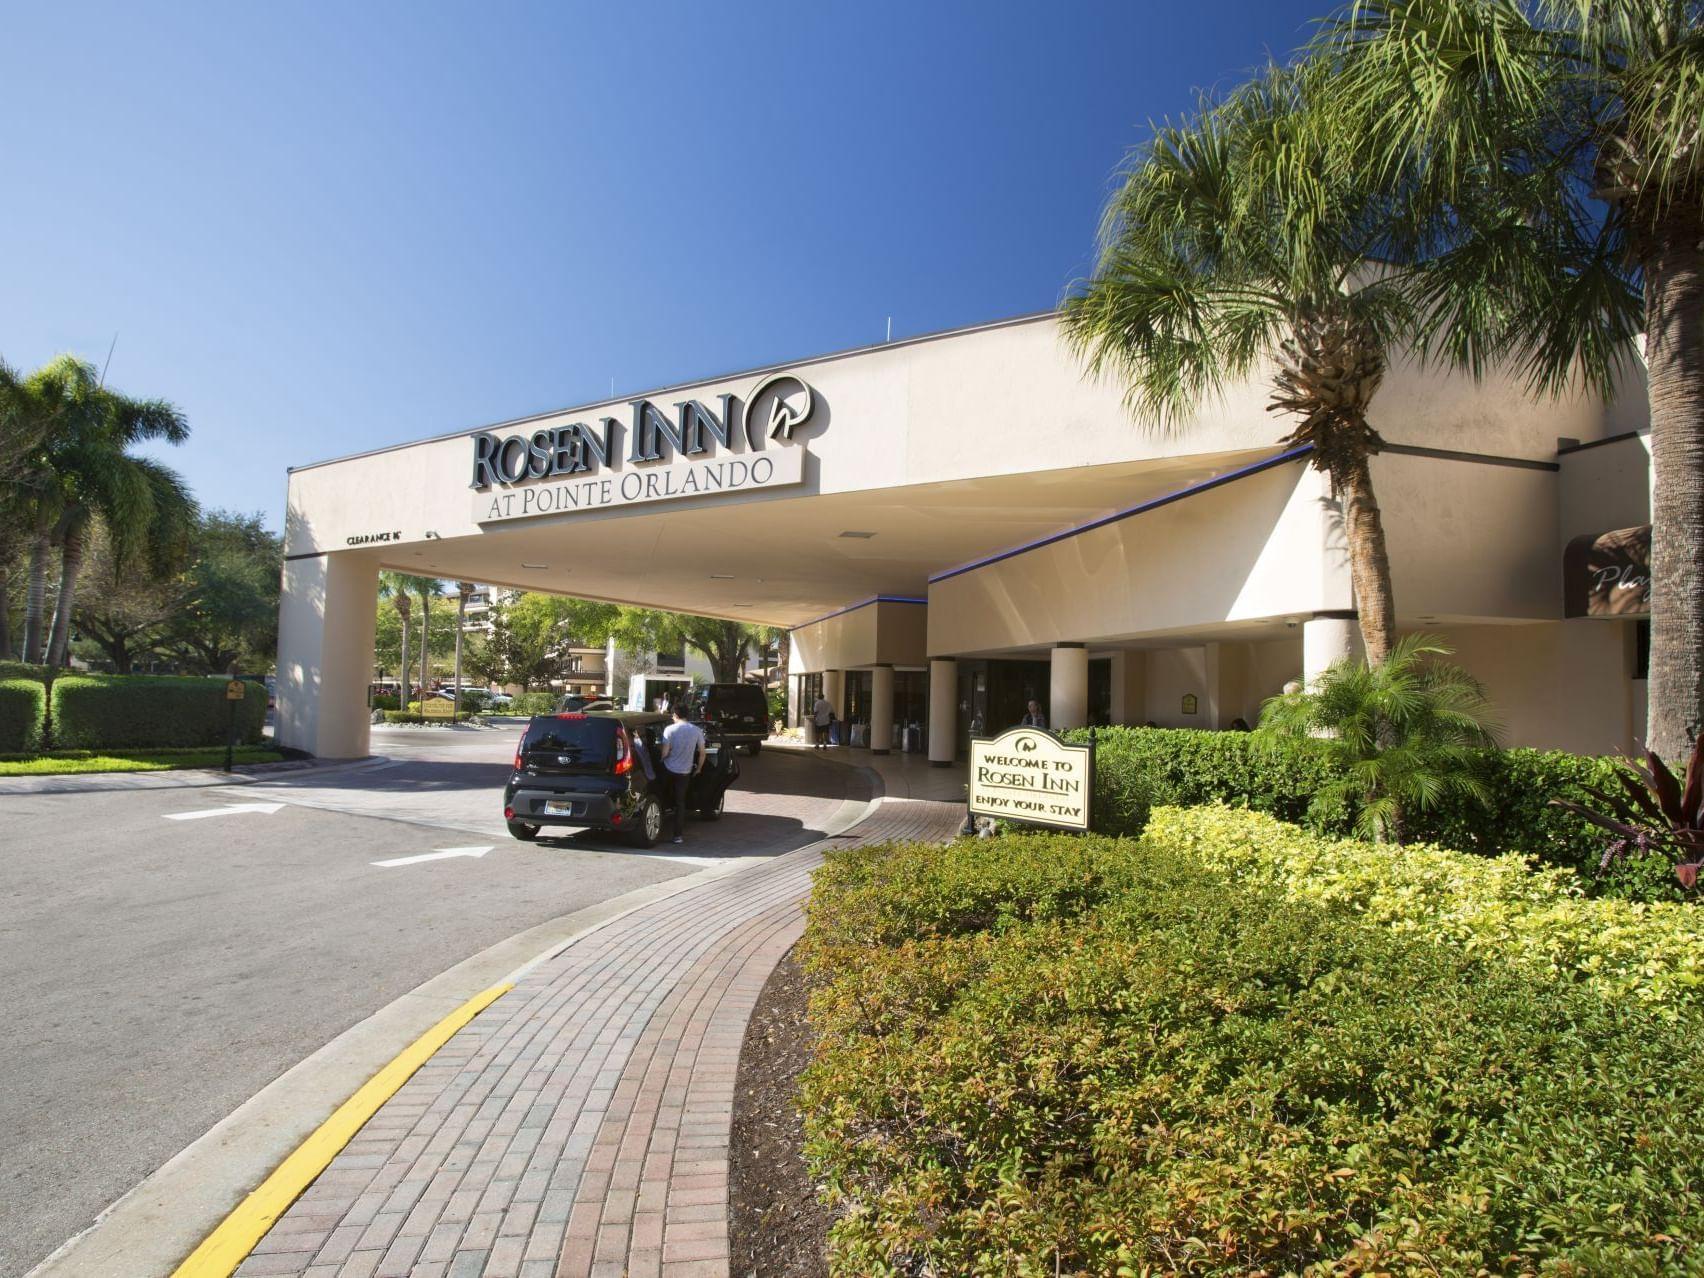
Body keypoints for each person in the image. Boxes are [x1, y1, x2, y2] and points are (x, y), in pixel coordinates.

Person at [659, 703, 706, 844]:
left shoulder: (669, 730)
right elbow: (702, 753)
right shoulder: (696, 730)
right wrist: (698, 769)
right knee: (680, 803)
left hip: (668, 769)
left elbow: (665, 753)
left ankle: (658, 826)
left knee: (660, 796)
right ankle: (677, 836)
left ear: (675, 715)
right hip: (685, 772)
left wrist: (661, 760)